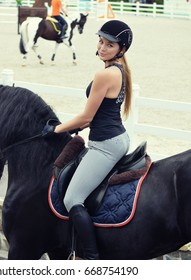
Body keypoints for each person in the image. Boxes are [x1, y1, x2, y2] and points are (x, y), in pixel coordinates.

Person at [42, 20, 133, 259]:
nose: (102, 47)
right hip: (114, 137)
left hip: (106, 146)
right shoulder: (119, 70)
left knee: (73, 198)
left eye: (109, 45)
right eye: (101, 42)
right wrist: (76, 127)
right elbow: (94, 117)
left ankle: (90, 258)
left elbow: (86, 115)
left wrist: (56, 130)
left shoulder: (105, 74)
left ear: (121, 49)